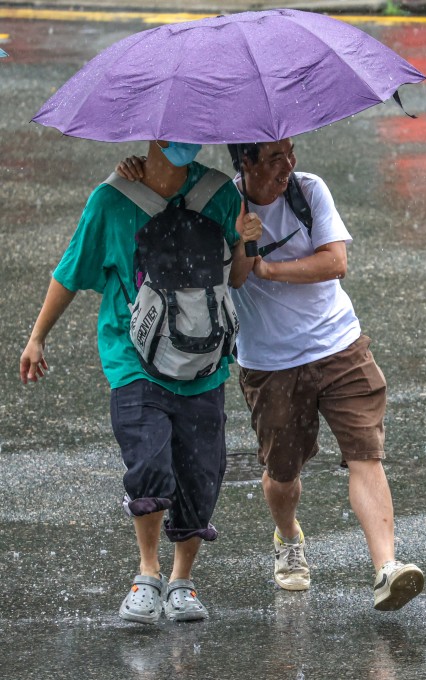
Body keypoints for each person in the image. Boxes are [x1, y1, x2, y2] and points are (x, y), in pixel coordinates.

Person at [117, 139, 425, 610]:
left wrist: (270, 267)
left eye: (291, 152)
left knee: (365, 452)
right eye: (276, 157)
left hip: (340, 344)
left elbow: (335, 262)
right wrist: (138, 172)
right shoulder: (223, 201)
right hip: (269, 363)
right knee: (283, 473)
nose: (289, 165)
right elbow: (195, 242)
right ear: (246, 162)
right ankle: (288, 537)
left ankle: (386, 568)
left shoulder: (310, 191)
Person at [20, 140, 262, 624]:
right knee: (148, 460)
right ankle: (147, 573)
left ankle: (182, 582)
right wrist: (37, 337)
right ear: (153, 135)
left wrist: (246, 241)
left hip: (204, 362)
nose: (186, 140)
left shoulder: (221, 196)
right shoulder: (111, 201)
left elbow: (235, 279)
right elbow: (70, 271)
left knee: (200, 474)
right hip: (133, 359)